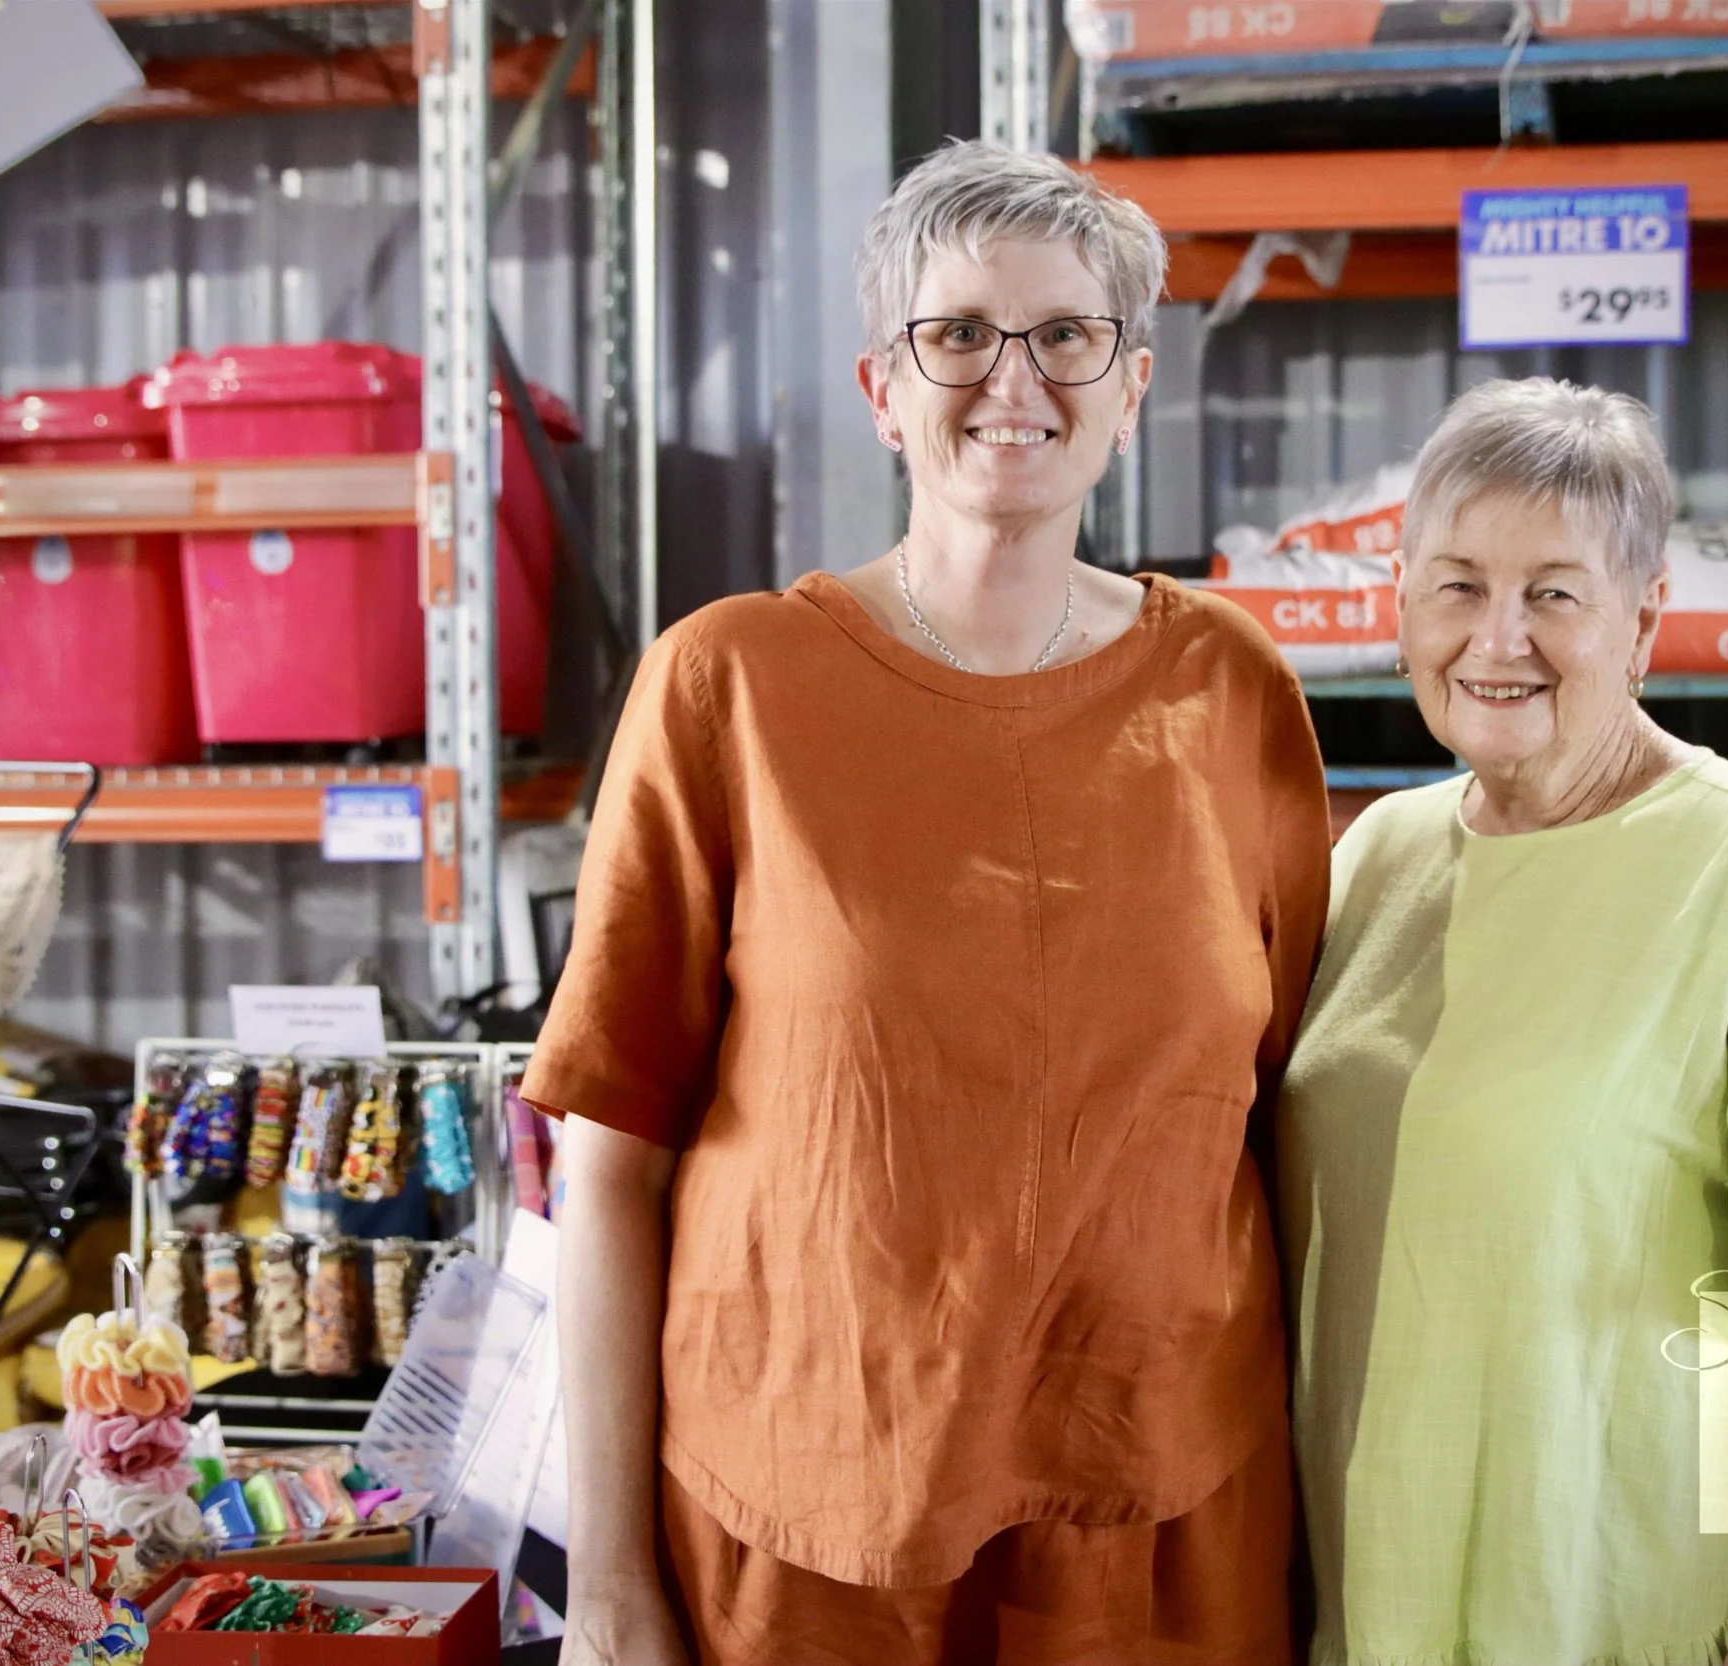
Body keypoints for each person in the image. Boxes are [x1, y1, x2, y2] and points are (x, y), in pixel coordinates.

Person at [528, 139, 1331, 1666]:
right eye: (957, 332)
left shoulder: (1232, 688)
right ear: (882, 388)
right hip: (808, 1537)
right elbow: (611, 1158)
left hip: (1161, 1530)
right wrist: (613, 1584)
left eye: (1065, 334)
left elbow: (1288, 1126)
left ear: (1131, 387)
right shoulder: (728, 684)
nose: (1011, 378)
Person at [1279, 377, 1728, 1666]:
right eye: (1459, 585)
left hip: (1627, 1614)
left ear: (1644, 617)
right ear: (1401, 602)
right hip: (1372, 1603)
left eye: (1555, 593)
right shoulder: (1374, 856)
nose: (1498, 638)